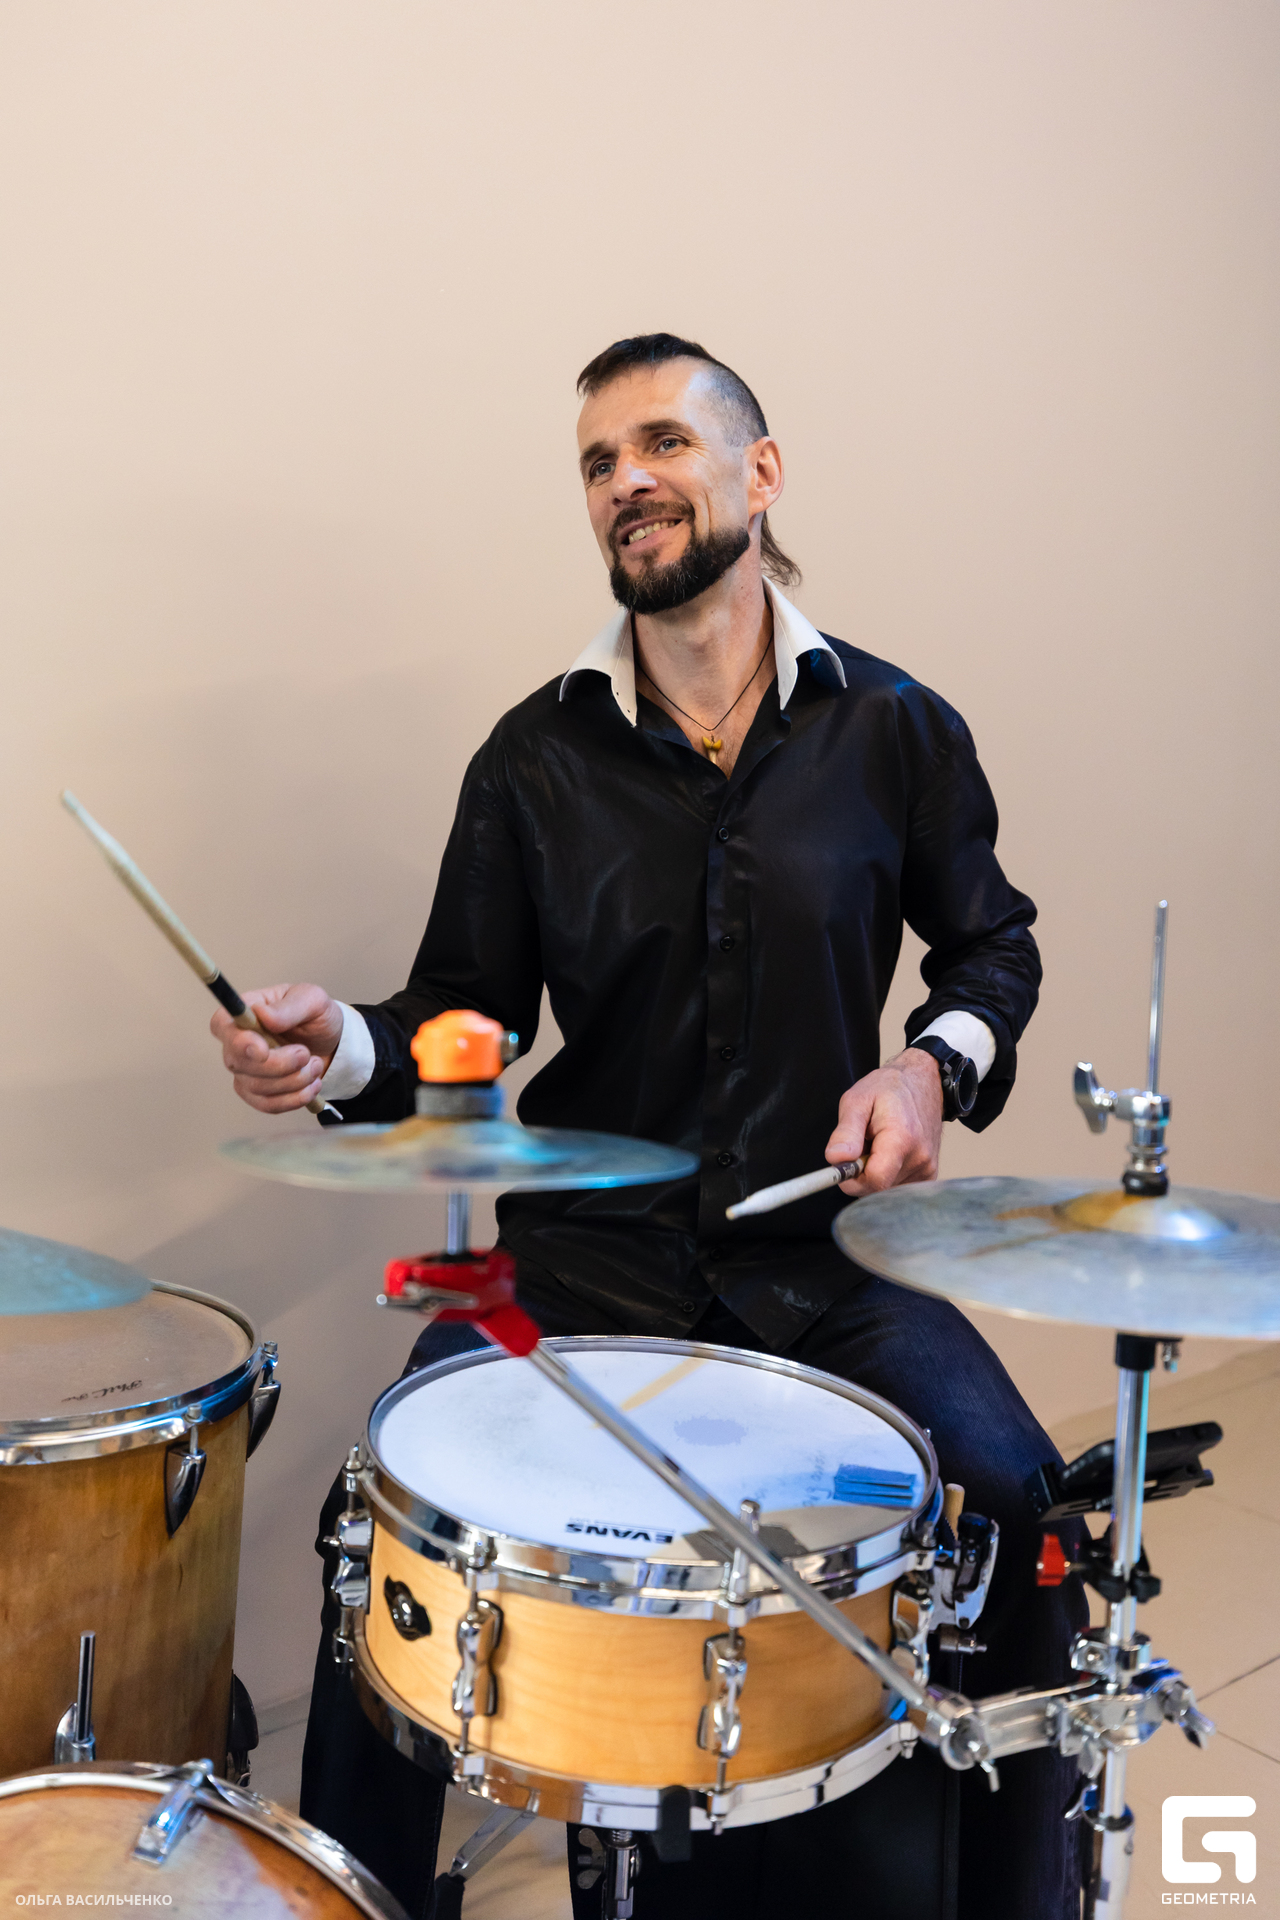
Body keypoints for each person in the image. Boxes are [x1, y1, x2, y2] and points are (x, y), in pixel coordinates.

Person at [213, 333, 1086, 1920]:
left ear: (761, 473)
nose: (628, 480)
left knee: (1022, 1506)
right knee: (387, 1515)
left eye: (664, 443)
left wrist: (928, 1071)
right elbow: (461, 1020)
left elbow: (993, 952)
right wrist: (336, 1046)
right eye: (599, 463)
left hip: (828, 1267)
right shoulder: (532, 758)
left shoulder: (897, 729)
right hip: (583, 1271)